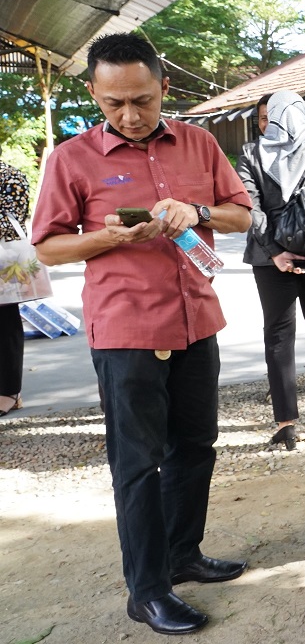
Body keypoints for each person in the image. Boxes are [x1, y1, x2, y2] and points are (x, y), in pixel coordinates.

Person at [31, 33, 252, 636]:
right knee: (137, 463)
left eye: (144, 101)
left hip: (196, 320)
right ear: (94, 95)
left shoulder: (200, 144)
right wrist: (109, 238)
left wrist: (198, 212)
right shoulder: (72, 159)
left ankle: (184, 554)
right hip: (126, 329)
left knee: (196, 445)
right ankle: (147, 590)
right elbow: (47, 246)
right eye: (113, 104)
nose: (129, 116)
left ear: (164, 88)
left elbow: (242, 213)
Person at [237, 90, 305, 449]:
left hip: (276, 260)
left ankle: (296, 417)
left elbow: (252, 209)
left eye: (271, 116)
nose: (266, 124)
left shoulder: (252, 155)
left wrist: (275, 253)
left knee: (293, 334)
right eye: (262, 118)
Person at [0, 159, 31, 416]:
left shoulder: (9, 175)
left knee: (4, 325)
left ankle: (9, 391)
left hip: (3, 262)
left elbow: (11, 221)